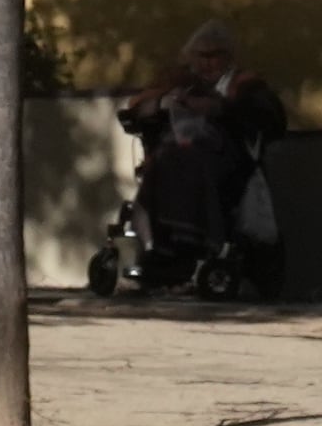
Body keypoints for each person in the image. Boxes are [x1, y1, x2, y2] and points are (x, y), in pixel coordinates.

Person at [116, 18, 287, 287]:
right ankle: (154, 250)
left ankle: (194, 249)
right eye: (201, 56)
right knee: (163, 164)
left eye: (214, 56)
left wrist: (218, 108)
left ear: (228, 57)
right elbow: (135, 107)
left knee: (183, 164)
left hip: (223, 164)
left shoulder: (243, 84)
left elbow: (271, 117)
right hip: (173, 160)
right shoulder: (181, 82)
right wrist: (163, 103)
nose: (207, 63)